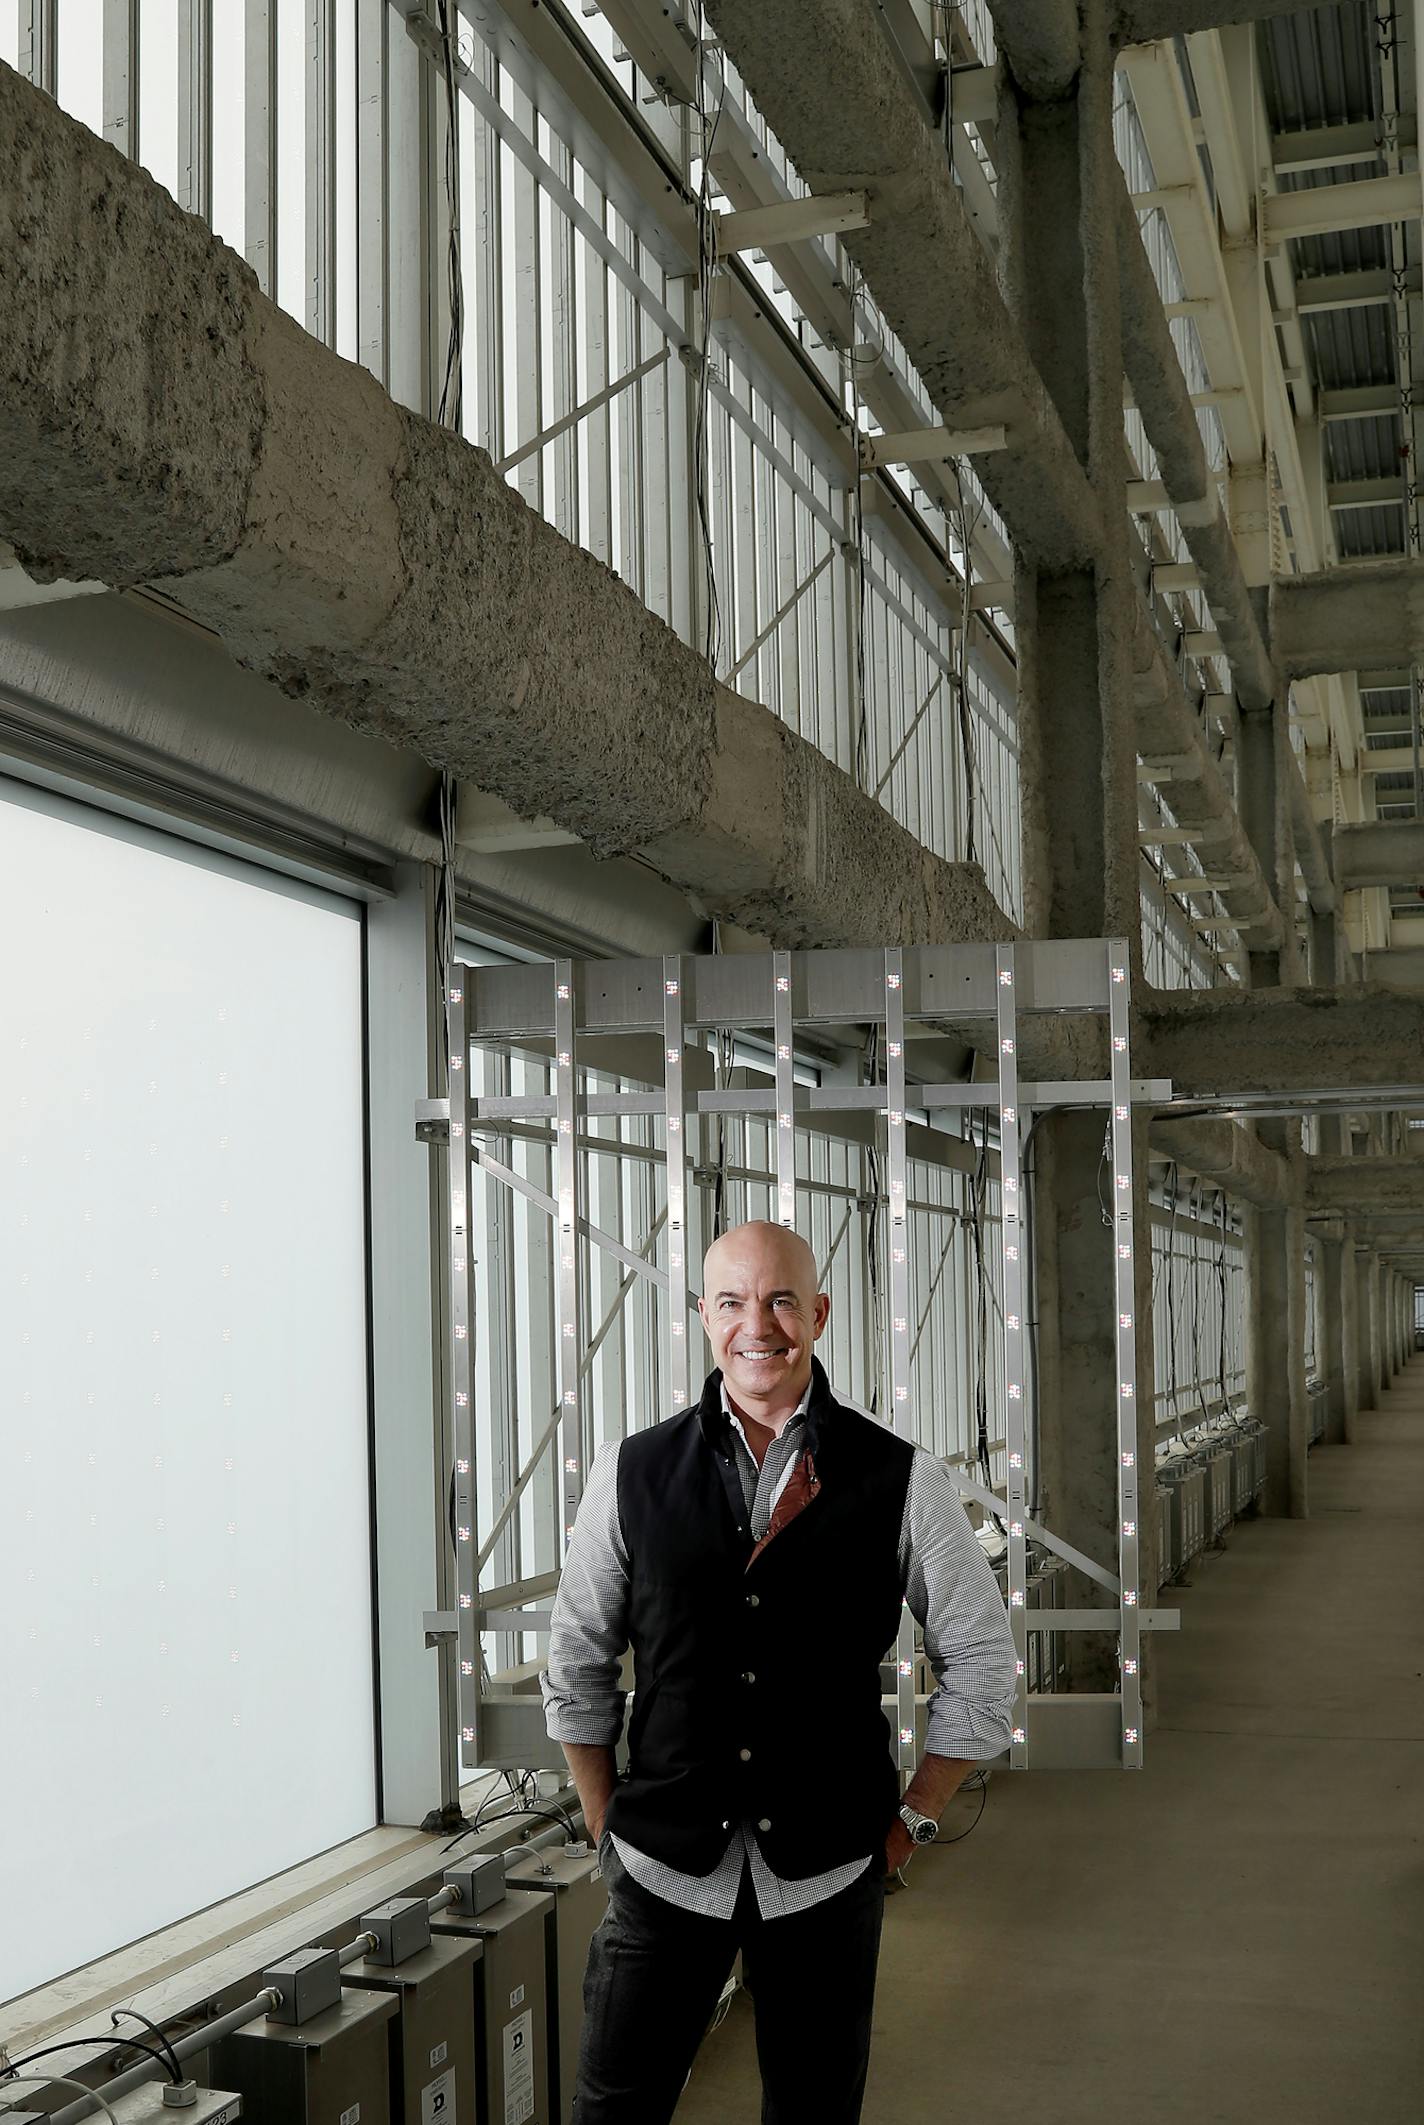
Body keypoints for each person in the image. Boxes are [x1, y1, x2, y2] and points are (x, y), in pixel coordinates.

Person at [540, 1219, 1017, 2123]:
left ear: (820, 1313)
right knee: (613, 2108)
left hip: (829, 1870)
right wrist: (605, 1817)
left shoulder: (901, 1477)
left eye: (782, 1300)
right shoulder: (629, 1471)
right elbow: (576, 1658)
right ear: (703, 1317)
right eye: (732, 1302)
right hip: (663, 1865)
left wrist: (915, 1816)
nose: (757, 1324)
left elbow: (985, 1665)